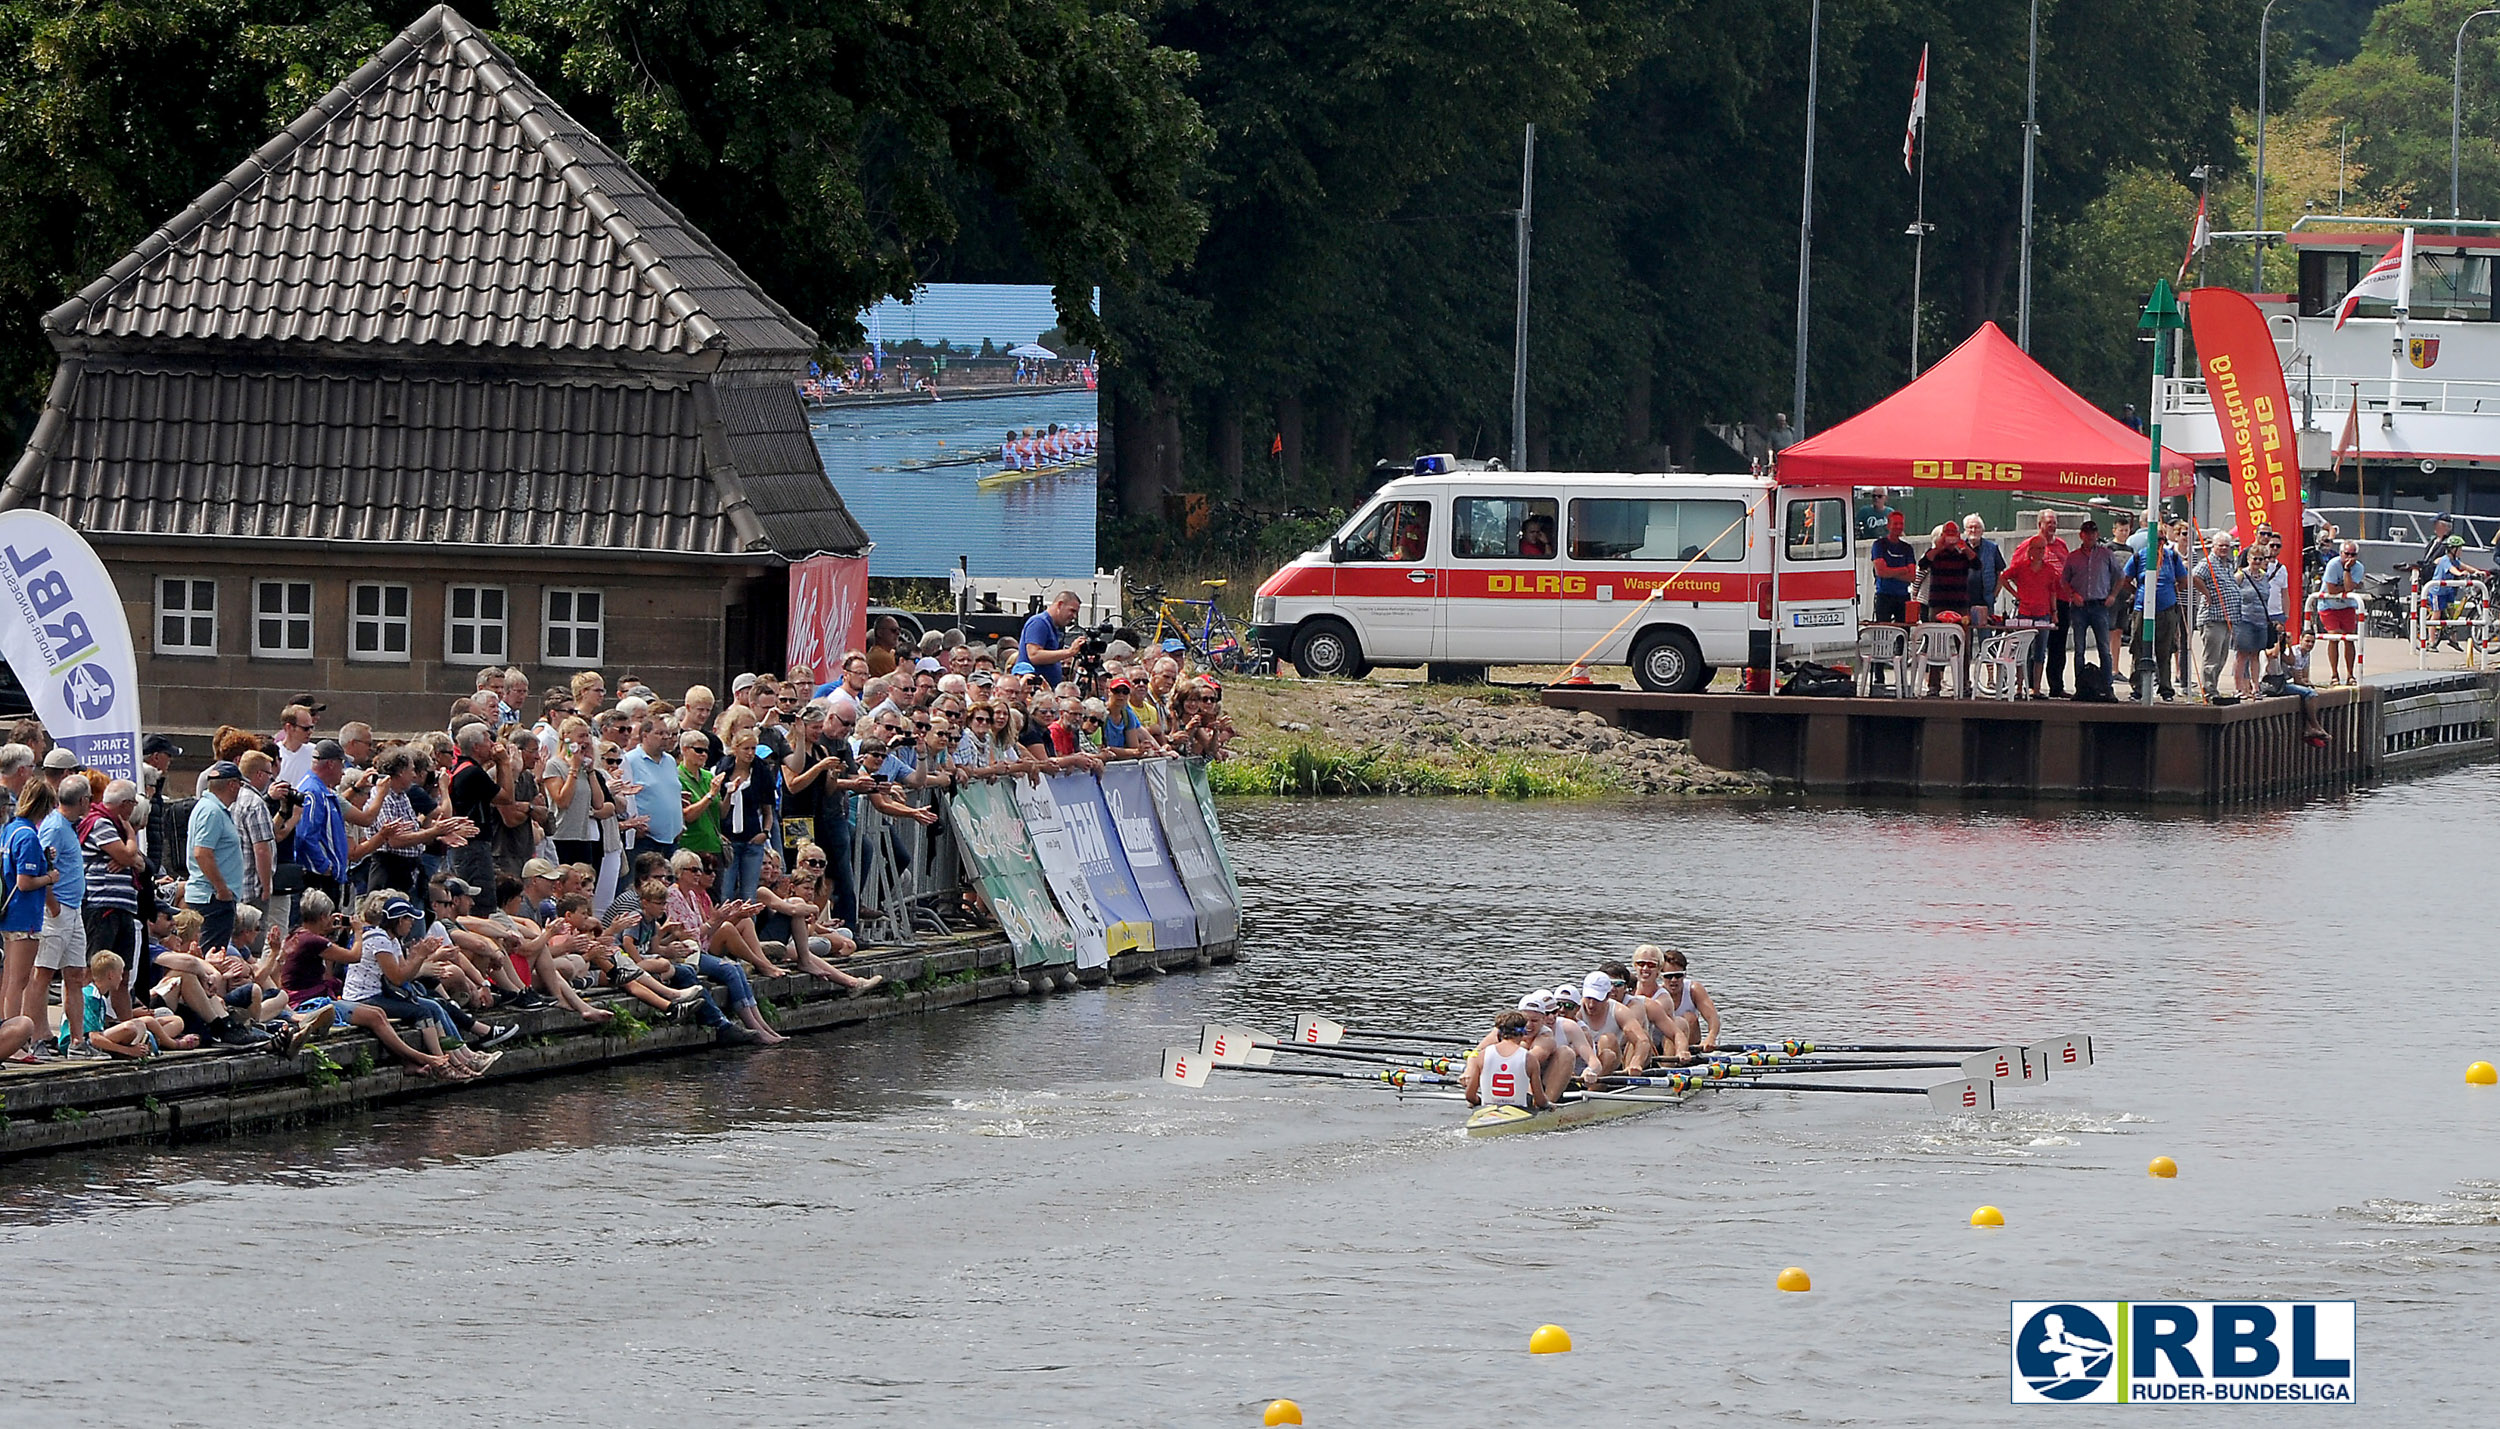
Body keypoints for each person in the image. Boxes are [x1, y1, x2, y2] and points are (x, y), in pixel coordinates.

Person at [31, 776, 97, 1056]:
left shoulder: (68, 827)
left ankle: (78, 1041)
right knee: (43, 974)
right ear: (82, 801)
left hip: (73, 909)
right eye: (89, 798)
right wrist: (53, 905)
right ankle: (36, 1036)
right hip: (57, 910)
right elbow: (41, 865)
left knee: (75, 973)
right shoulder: (55, 827)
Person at [3, 779, 60, 1056]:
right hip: (24, 915)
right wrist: (50, 876)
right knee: (18, 981)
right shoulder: (28, 835)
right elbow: (25, 882)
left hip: (9, 914)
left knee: (9, 980)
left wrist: (43, 857)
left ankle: (8, 1035)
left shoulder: (10, 830)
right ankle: (13, 1043)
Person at [185, 761, 248, 955]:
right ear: (232, 784)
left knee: (211, 955)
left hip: (212, 896)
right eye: (240, 784)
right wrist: (222, 889)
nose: (240, 789)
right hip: (212, 898)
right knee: (211, 955)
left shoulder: (211, 809)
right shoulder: (211, 811)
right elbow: (202, 852)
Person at [2118, 531, 2188, 701]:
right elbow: (2124, 580)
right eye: (2156, 540)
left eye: (2162, 540)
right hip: (2142, 608)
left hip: (2166, 609)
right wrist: (2138, 593)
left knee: (2165, 650)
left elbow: (2183, 581)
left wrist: (2170, 593)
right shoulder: (2139, 556)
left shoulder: (2172, 557)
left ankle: (2165, 688)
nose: (2159, 543)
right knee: (2138, 648)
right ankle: (2138, 688)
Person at [2062, 519, 2124, 693]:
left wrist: (2112, 595)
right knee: (2079, 649)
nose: (2090, 536)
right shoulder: (2073, 557)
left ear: (2097, 535)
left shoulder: (2106, 554)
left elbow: (2120, 576)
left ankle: (2107, 687)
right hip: (2079, 608)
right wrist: (2073, 595)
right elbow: (2064, 581)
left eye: (2093, 533)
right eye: (2087, 533)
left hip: (2099, 606)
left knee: (2104, 649)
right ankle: (2080, 687)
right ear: (2081, 535)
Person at [2015, 511, 2072, 696]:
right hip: (2037, 605)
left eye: (2054, 522)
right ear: (2040, 524)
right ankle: (2032, 686)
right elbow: (2014, 571)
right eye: (2049, 523)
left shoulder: (2061, 545)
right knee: (2034, 646)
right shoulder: (2029, 545)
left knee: (2058, 646)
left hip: (2061, 602)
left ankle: (2057, 686)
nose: (2052, 526)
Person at [1463, 1011, 1549, 1110]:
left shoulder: (1482, 1055)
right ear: (1523, 1032)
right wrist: (1548, 1106)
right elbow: (1540, 1101)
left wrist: (1477, 1102)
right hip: (1519, 1112)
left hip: (1487, 1111)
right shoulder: (1529, 1059)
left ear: (1499, 1033)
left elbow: (1469, 1096)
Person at [2191, 531, 2239, 700]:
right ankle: (2208, 690)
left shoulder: (2228, 564)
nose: (2224, 548)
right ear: (2213, 547)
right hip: (2213, 618)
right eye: (2221, 546)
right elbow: (2195, 576)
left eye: (2227, 545)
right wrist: (2207, 594)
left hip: (2227, 618)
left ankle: (2214, 688)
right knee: (2212, 657)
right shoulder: (2208, 563)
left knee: (2222, 657)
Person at [2316, 539, 2364, 685]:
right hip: (2328, 605)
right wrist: (2350, 587)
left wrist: (2347, 570)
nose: (2349, 557)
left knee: (2349, 639)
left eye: (2353, 554)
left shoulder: (2358, 567)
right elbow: (2331, 589)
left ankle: (2350, 674)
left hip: (2347, 605)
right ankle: (2334, 674)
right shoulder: (2333, 564)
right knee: (2334, 637)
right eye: (2346, 554)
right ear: (2341, 553)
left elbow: (2348, 588)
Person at [1021, 591, 1086, 687]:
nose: (1074, 616)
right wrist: (1070, 652)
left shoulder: (1052, 626)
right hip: (1034, 688)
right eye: (1072, 611)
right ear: (1060, 605)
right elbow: (1034, 655)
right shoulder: (1039, 623)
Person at [1869, 509, 1917, 625]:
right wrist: (1903, 570)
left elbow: (1912, 576)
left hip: (1903, 596)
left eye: (1901, 524)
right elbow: (1881, 571)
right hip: (1884, 595)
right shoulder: (1879, 545)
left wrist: (1890, 572)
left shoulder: (1907, 548)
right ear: (1888, 525)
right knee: (1883, 631)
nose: (1898, 527)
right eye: (1895, 524)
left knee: (1903, 631)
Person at [1962, 514, 2005, 623]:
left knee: (1986, 635)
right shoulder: (1959, 548)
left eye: (1977, 527)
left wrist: (1994, 595)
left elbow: (2001, 573)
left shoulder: (1992, 548)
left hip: (1985, 601)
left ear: (1982, 530)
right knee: (1964, 635)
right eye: (1970, 527)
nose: (1973, 530)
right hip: (1963, 602)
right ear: (1965, 531)